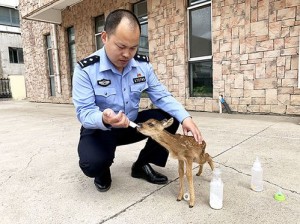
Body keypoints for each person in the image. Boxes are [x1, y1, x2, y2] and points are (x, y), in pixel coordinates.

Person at [72, 9, 203, 192]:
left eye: (133, 48)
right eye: (121, 46)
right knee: (92, 164)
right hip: (101, 128)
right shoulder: (86, 69)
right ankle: (102, 170)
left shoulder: (142, 65)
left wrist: (185, 118)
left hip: (132, 125)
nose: (127, 54)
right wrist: (104, 118)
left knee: (168, 117)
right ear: (104, 37)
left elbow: (161, 95)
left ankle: (142, 165)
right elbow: (84, 112)